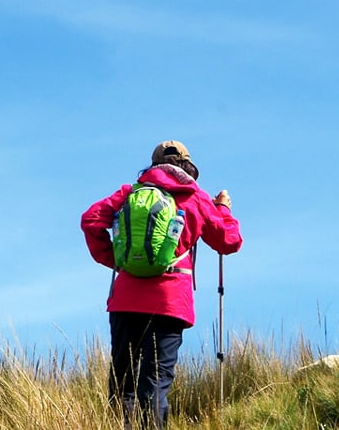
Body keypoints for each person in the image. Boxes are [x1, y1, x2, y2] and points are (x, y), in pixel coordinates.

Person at [81, 140, 242, 428]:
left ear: (153, 165)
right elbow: (228, 242)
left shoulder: (130, 193)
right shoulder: (196, 197)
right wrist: (224, 210)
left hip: (125, 300)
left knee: (122, 383)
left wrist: (117, 261)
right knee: (154, 383)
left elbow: (91, 219)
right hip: (169, 303)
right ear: (188, 166)